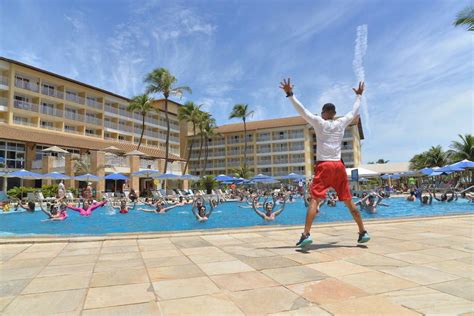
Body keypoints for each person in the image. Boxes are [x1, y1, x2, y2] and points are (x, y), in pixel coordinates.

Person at [280, 78, 370, 247]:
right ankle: (362, 232)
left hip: (324, 166)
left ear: (323, 113)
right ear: (334, 113)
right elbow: (354, 111)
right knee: (349, 200)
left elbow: (303, 111)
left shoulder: (319, 122)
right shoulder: (341, 123)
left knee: (315, 200)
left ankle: (306, 234)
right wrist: (359, 96)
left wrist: (290, 94)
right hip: (339, 166)